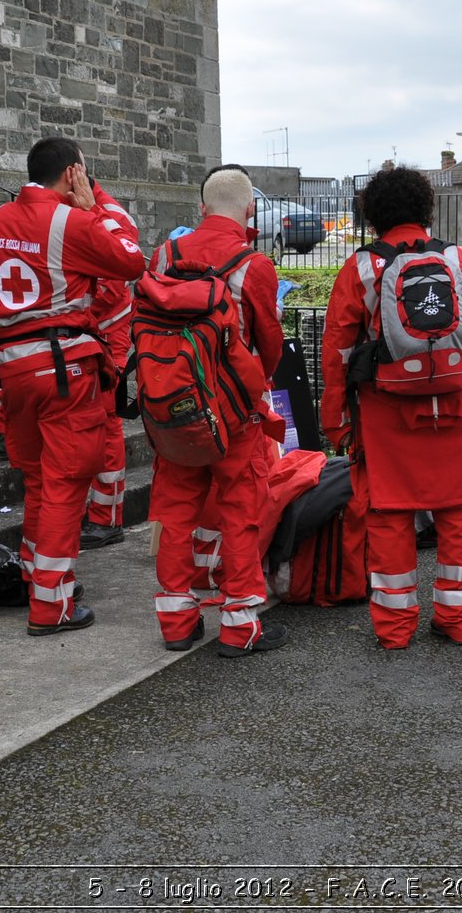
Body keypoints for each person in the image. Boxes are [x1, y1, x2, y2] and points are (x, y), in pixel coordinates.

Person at [0, 137, 145, 636]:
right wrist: (92, 211)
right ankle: (52, 605)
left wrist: (14, 315)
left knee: (37, 480)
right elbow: (131, 263)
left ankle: (40, 579)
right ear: (75, 172)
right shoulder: (73, 222)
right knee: (64, 483)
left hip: (9, 368)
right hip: (64, 368)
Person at [320, 166, 462, 648]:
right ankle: (458, 620)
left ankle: (394, 629)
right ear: (426, 209)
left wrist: (337, 421)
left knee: (387, 516)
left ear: (372, 214)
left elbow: (338, 354)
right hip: (460, 404)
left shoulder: (360, 269)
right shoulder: (456, 259)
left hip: (386, 413)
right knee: (460, 513)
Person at [146, 165, 290, 658]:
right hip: (233, 413)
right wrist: (249, 390)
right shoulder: (254, 265)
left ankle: (176, 621)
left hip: (172, 406)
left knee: (176, 512)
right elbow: (269, 346)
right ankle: (239, 626)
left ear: (201, 208)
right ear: (250, 210)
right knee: (239, 512)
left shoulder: (164, 254)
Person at [80, 182, 141, 550]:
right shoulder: (92, 214)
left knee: (107, 426)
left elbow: (110, 285)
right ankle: (101, 515)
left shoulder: (111, 218)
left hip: (107, 339)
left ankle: (107, 519)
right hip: (94, 336)